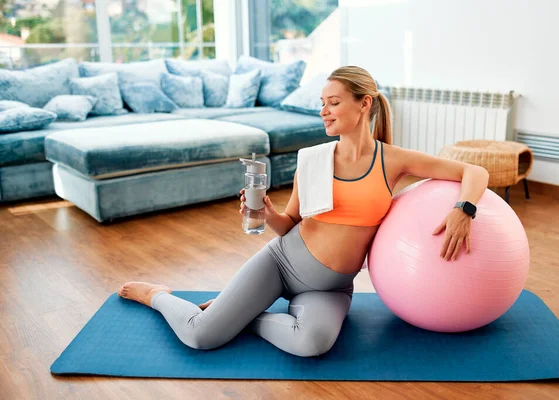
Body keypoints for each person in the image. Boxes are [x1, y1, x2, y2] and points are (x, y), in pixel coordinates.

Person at [118, 66, 489, 357]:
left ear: (365, 104)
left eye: (334, 102)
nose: (323, 111)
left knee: (312, 344)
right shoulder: (312, 159)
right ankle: (157, 295)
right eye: (322, 102)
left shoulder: (393, 160)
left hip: (330, 288)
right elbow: (288, 225)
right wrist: (266, 212)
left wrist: (464, 209)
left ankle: (242, 315)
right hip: (281, 264)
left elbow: (474, 171)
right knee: (201, 335)